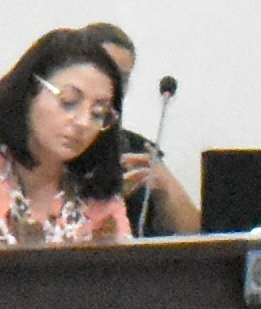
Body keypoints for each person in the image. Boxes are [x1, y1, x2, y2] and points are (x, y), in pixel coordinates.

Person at [0, 33, 143, 250]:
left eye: (98, 113)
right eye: (69, 101)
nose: (83, 122)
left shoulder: (93, 180)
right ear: (30, 91)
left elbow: (120, 272)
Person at [76, 25, 205, 238]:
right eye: (106, 71)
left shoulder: (136, 148)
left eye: (123, 78)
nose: (114, 86)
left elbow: (194, 233)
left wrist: (166, 187)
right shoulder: (59, 144)